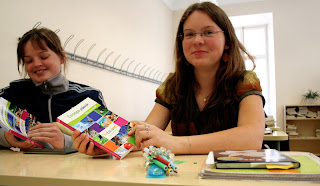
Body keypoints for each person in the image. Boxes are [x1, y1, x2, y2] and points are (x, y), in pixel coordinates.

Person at [72, 1, 265, 156]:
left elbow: (251, 139)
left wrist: (175, 143)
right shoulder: (173, 85)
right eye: (189, 34)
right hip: (183, 182)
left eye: (208, 32)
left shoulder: (245, 81)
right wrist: (108, 145)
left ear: (228, 42)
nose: (198, 40)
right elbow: (144, 134)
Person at [0, 27, 106, 150]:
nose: (36, 64)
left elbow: (113, 144)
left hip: (76, 169)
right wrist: (6, 138)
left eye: (44, 57)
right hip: (26, 168)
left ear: (61, 57)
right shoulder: (12, 93)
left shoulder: (89, 96)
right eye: (28, 61)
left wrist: (65, 142)